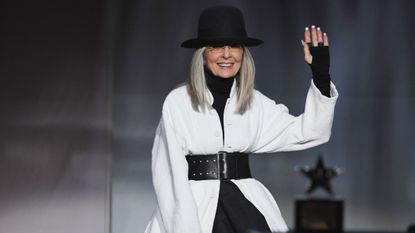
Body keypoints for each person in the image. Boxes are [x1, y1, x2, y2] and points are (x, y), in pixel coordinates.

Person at [145, 5, 338, 233]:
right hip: (192, 213)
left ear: (243, 53)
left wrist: (321, 76)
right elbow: (167, 177)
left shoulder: (254, 103)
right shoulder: (177, 103)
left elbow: (310, 132)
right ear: (203, 53)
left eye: (235, 46)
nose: (227, 54)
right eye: (217, 46)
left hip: (245, 210)